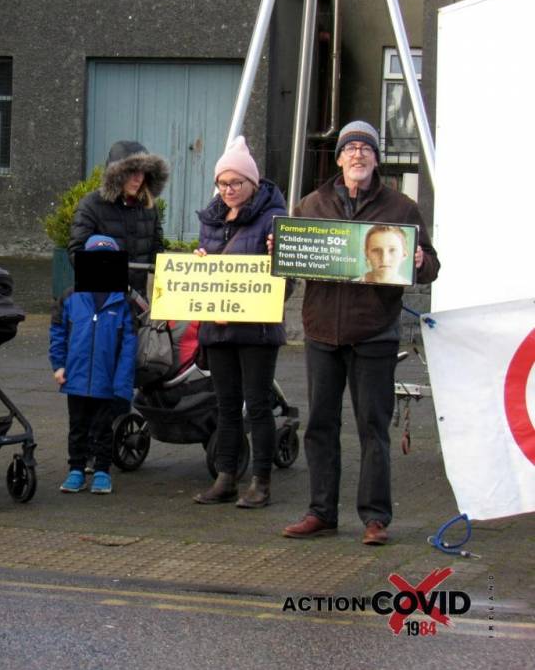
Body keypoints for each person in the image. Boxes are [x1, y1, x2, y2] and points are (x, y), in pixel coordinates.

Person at [281, 121, 439, 545]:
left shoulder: (401, 208)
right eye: (349, 148)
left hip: (374, 333)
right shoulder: (311, 205)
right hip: (321, 332)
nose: (357, 155)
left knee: (373, 426)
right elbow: (292, 269)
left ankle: (375, 517)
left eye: (365, 149)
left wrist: (421, 261)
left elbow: (431, 268)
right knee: (319, 425)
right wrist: (276, 264)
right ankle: (321, 512)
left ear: (375, 158)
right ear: (338, 159)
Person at [191, 136, 287, 508]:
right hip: (218, 327)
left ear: (253, 183)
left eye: (236, 183)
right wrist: (199, 263)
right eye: (223, 183)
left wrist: (277, 259)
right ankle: (226, 476)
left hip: (257, 331)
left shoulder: (273, 218)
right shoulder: (212, 218)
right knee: (226, 405)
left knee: (258, 404)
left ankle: (261, 482)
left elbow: (286, 280)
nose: (229, 190)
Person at [50, 235, 137, 495]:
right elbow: (58, 334)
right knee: (77, 427)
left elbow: (129, 347)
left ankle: (101, 470)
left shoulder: (123, 302)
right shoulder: (69, 298)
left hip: (106, 380)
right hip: (75, 378)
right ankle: (75, 469)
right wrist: (58, 365)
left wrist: (121, 382)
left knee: (103, 428)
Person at [68, 140, 169, 296]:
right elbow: (77, 253)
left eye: (142, 171)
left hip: (137, 304)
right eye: (132, 171)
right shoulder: (91, 205)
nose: (138, 178)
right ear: (116, 174)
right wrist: (117, 284)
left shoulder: (149, 207)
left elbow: (157, 251)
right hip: (102, 302)